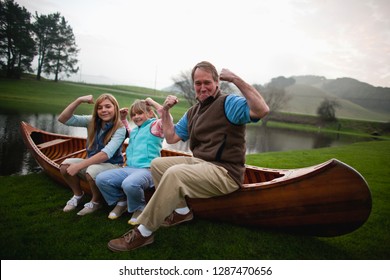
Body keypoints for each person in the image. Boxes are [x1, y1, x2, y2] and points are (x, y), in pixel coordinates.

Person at [107, 61, 270, 252]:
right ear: (193, 85)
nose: (202, 87)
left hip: (225, 172)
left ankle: (144, 232)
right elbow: (171, 136)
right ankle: (182, 211)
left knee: (175, 173)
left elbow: (261, 110)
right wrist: (165, 111)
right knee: (158, 164)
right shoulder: (193, 111)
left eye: (207, 82)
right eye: (198, 83)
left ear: (217, 82)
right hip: (201, 163)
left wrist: (235, 79)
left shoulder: (229, 103)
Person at [95, 98, 166, 223]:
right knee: (101, 179)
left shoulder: (155, 127)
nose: (136, 117)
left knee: (129, 184)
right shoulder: (135, 131)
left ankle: (139, 207)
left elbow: (166, 117)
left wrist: (152, 102)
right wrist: (123, 119)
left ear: (150, 113)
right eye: (133, 114)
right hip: (129, 168)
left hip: (147, 170)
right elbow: (128, 131)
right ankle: (122, 201)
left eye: (140, 113)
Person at [58, 94, 127, 216]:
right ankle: (78, 195)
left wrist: (79, 166)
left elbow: (105, 154)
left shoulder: (120, 128)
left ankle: (96, 202)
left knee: (91, 170)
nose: (104, 110)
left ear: (115, 108)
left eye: (108, 106)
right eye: (100, 107)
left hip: (112, 165)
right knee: (64, 166)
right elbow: (63, 119)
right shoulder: (92, 121)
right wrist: (79, 100)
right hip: (93, 162)